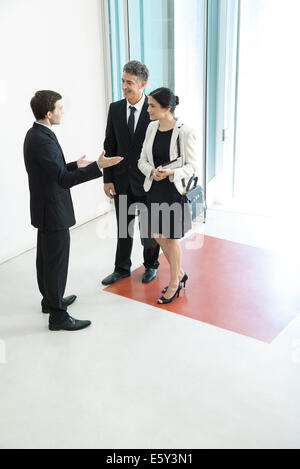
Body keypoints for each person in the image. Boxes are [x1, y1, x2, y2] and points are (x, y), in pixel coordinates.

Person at [24, 90, 123, 331]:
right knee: (55, 263)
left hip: (45, 209)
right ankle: (58, 316)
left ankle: (50, 300)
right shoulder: (43, 140)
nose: (63, 111)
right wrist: (97, 167)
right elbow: (63, 180)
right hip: (52, 211)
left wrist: (74, 165)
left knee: (46, 260)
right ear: (48, 113)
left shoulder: (36, 134)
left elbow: (54, 170)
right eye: (60, 107)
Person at [101, 61, 160, 286]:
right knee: (123, 228)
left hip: (146, 182)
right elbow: (109, 144)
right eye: (123, 81)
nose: (124, 86)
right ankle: (121, 268)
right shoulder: (115, 109)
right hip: (121, 180)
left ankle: (151, 266)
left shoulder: (153, 110)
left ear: (142, 84)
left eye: (129, 82)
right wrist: (107, 179)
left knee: (148, 229)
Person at [138, 87, 198, 304]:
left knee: (171, 240)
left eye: (152, 106)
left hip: (173, 191)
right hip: (154, 188)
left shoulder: (185, 131)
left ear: (167, 108)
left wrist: (171, 172)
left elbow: (193, 166)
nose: (147, 109)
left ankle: (174, 283)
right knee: (157, 235)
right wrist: (151, 171)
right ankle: (179, 273)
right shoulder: (151, 128)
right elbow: (141, 160)